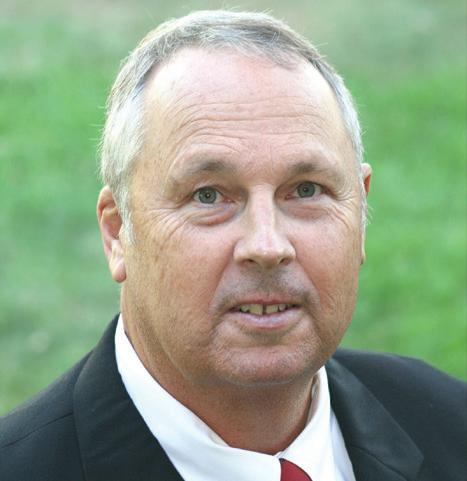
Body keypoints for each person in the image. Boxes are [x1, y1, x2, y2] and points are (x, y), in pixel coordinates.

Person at [0, 10, 465, 481]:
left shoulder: (452, 424)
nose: (268, 246)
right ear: (118, 232)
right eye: (208, 196)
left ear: (361, 213)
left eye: (306, 190)